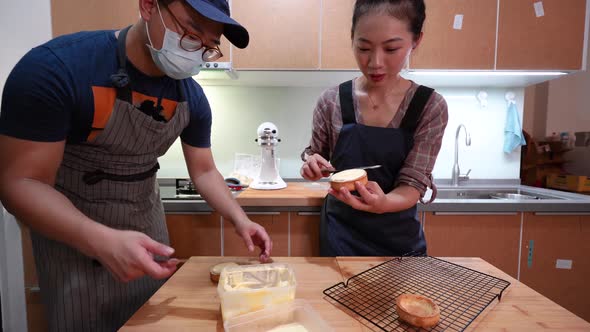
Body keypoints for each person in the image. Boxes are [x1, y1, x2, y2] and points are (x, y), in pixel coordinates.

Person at [0, 0, 272, 330]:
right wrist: (100, 240)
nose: (196, 50)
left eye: (208, 45)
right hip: (74, 236)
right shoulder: (57, 69)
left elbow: (203, 171)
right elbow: (20, 184)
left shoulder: (192, 99)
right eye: (190, 32)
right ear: (147, 6)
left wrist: (239, 219)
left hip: (146, 225)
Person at [300, 0, 448, 257]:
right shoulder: (332, 101)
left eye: (391, 48)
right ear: (352, 39)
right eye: (364, 47)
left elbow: (412, 185)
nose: (375, 62)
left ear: (416, 40)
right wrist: (312, 164)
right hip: (341, 236)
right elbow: (317, 155)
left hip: (399, 241)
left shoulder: (429, 107)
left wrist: (383, 203)